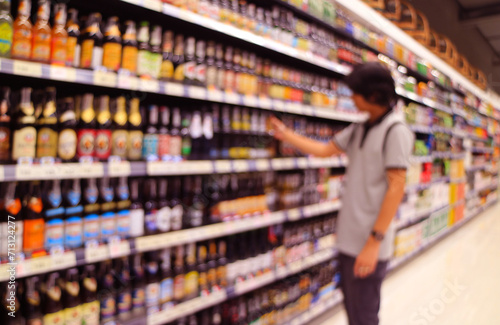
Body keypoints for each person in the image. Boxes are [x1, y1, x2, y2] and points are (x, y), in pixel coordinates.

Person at [270, 62, 414, 325]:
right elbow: (325, 150)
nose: (351, 97)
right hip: (348, 238)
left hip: (369, 242)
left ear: (373, 95)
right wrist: (287, 135)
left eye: (355, 92)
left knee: (365, 314)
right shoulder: (360, 128)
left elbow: (396, 187)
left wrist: (374, 243)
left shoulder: (396, 131)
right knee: (352, 308)